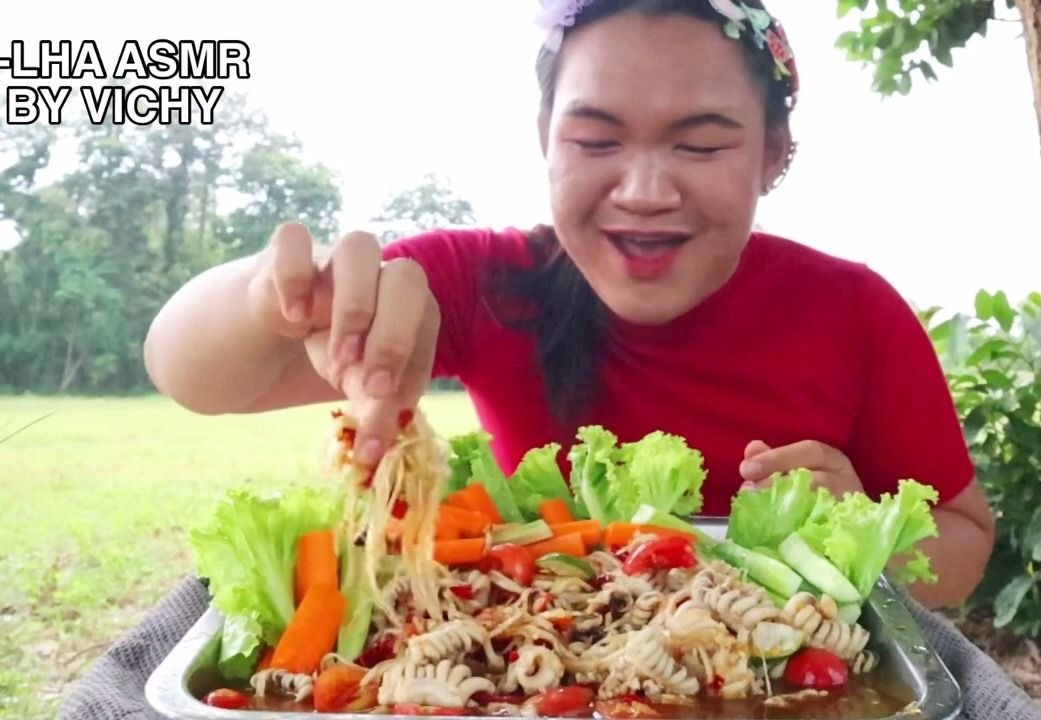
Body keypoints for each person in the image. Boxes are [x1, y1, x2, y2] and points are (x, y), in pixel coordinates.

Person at [142, 0, 994, 609]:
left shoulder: (854, 310)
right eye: (595, 140)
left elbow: (964, 545)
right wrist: (274, 297)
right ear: (544, 139)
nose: (645, 190)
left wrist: (865, 530)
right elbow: (194, 374)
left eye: (700, 143)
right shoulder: (484, 282)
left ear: (774, 152)